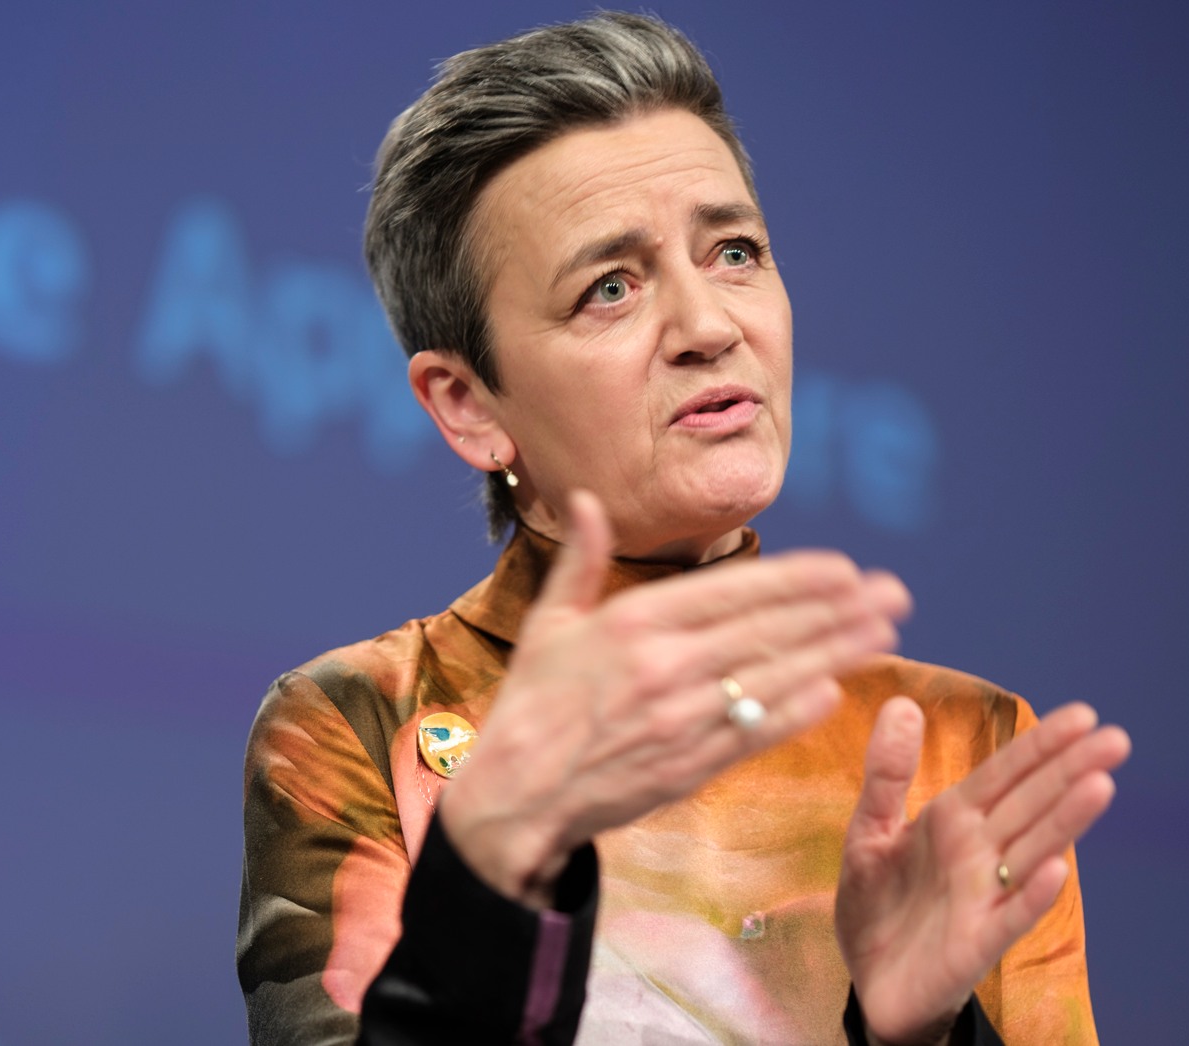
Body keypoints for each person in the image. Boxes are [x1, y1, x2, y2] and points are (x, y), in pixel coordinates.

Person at [237, 13, 1130, 1046]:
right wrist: (488, 881)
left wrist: (918, 1036)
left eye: (737, 251)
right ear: (468, 403)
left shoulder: (956, 747)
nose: (711, 326)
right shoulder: (357, 723)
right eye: (609, 288)